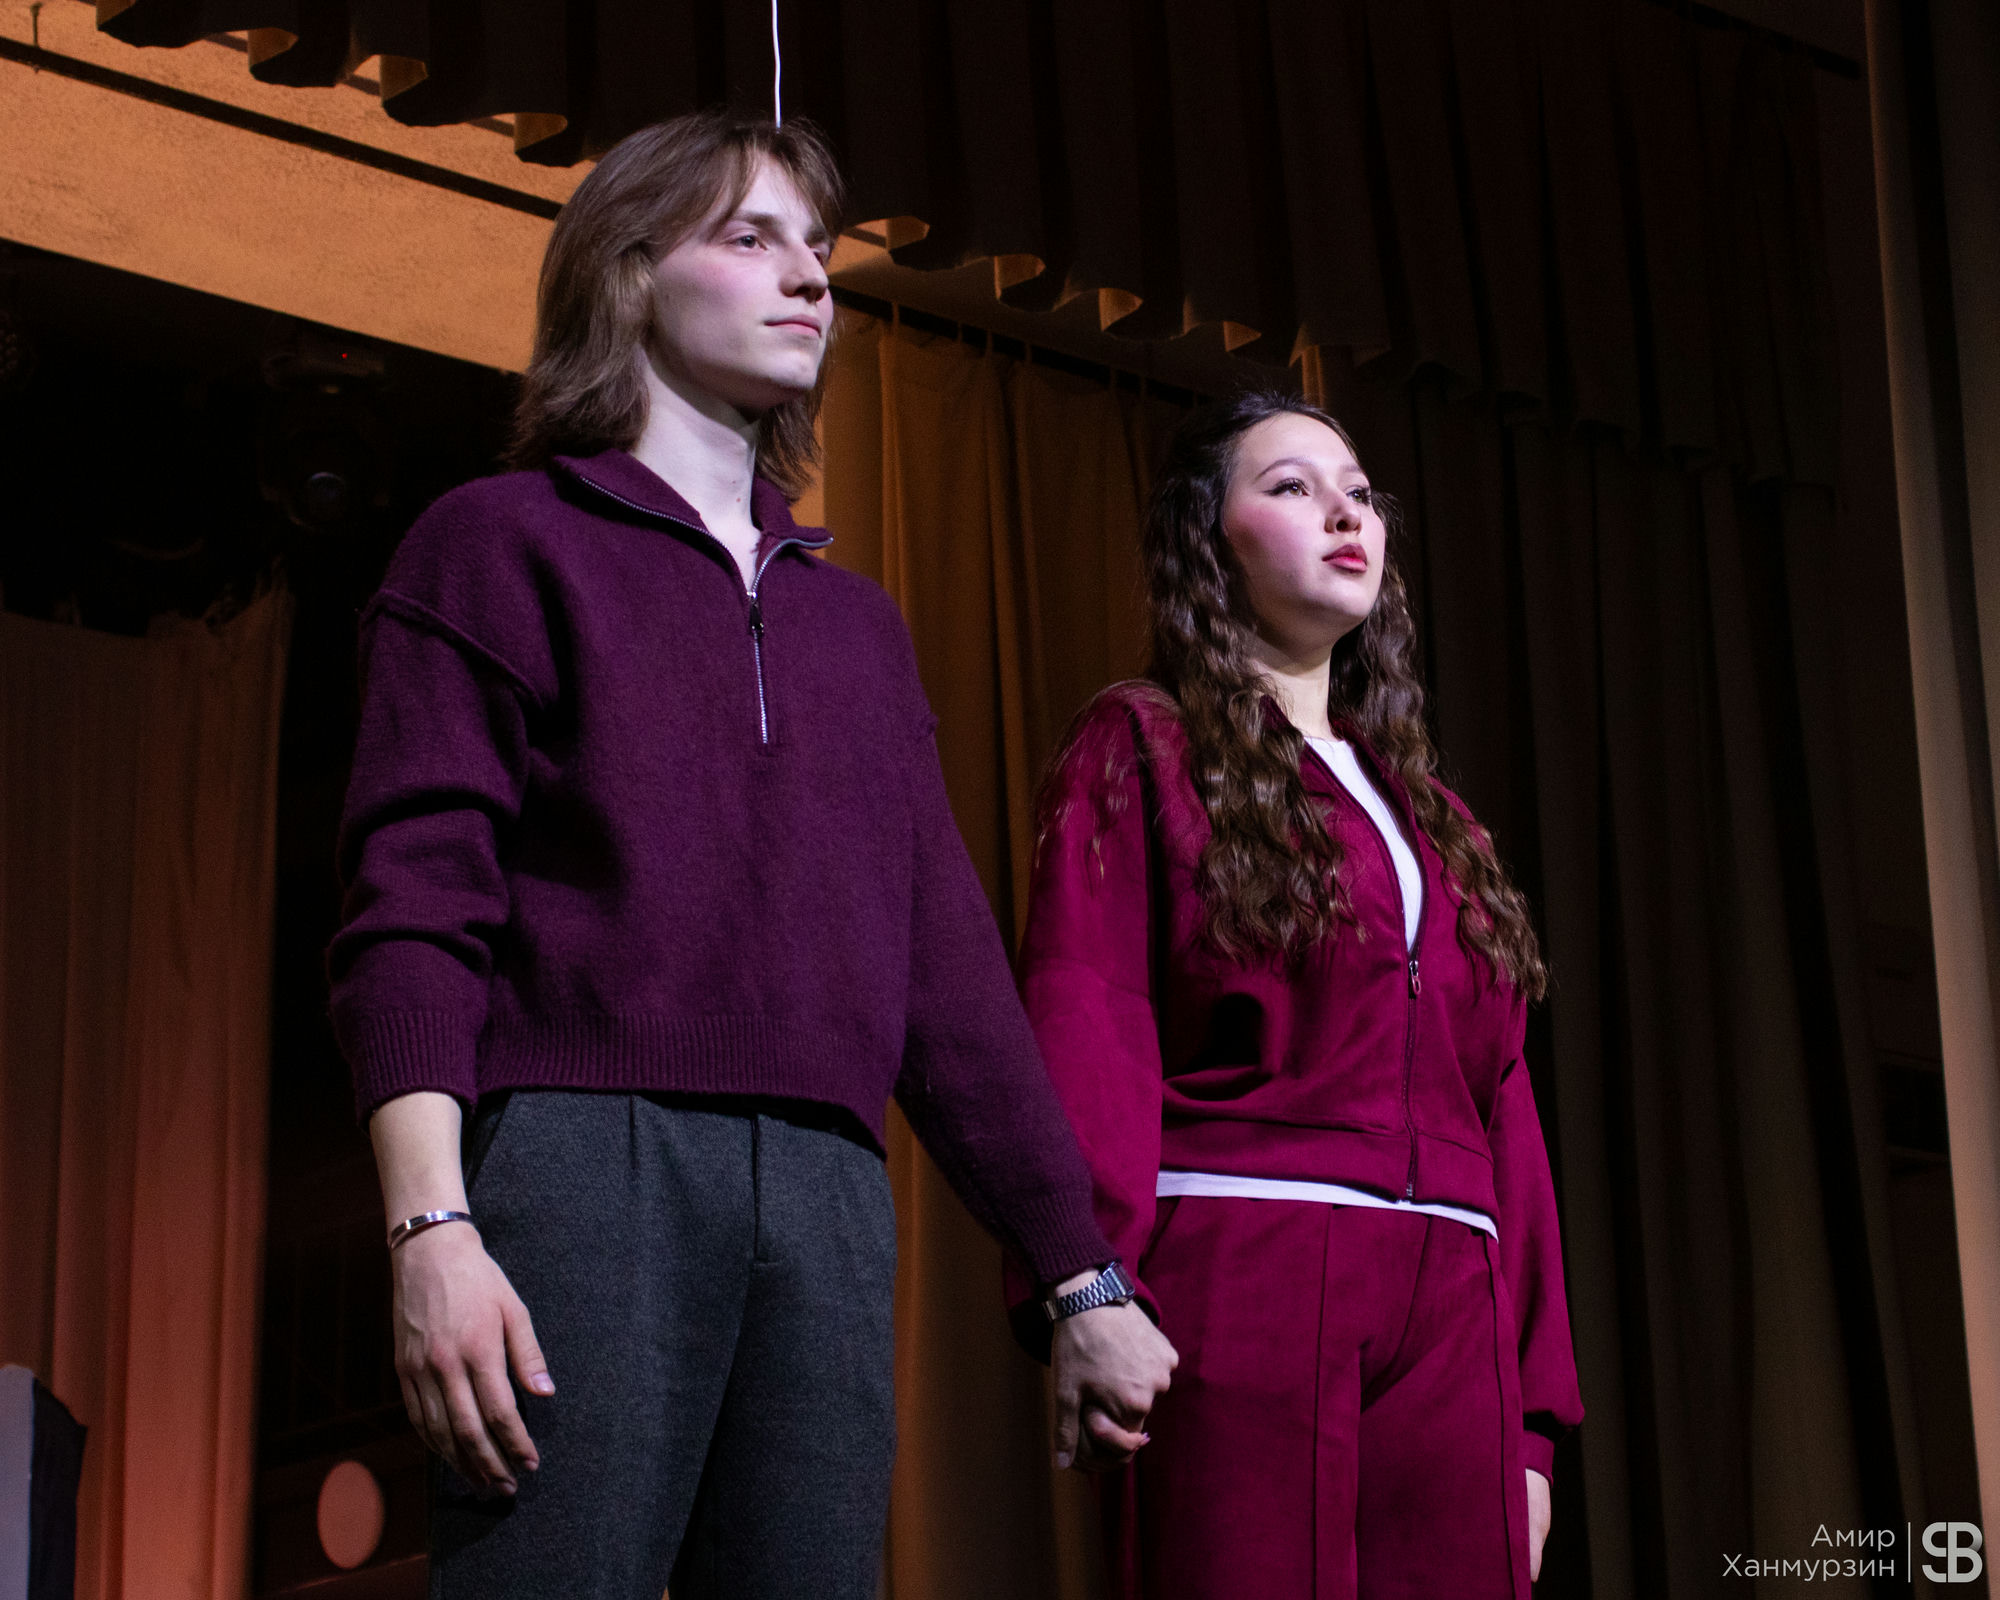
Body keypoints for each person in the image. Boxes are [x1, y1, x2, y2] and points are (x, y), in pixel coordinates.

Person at [327, 110, 1176, 1600]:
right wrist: (432, 1225)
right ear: (629, 272)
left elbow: (947, 980)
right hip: (586, 1162)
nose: (809, 278)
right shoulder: (498, 544)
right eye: (750, 237)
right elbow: (413, 908)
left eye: (818, 248)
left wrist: (1078, 1270)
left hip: (831, 1194)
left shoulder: (860, 626)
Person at [1016, 392, 1583, 1598]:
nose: (1343, 513)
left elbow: (1501, 1113)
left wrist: (1532, 1422)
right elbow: (1084, 1020)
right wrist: (1083, 1281)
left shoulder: (1432, 818)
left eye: (1359, 493)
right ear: (1206, 539)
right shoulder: (1145, 744)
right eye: (1289, 486)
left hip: (1454, 1308)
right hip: (1251, 1267)